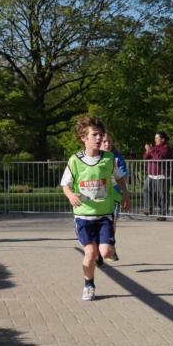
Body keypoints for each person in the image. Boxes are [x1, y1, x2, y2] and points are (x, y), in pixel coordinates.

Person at [61, 116, 130, 301]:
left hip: (104, 214)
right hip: (83, 215)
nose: (99, 138)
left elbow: (120, 177)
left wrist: (125, 193)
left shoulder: (108, 158)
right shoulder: (75, 160)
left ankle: (104, 246)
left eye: (101, 135)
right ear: (84, 137)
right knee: (90, 252)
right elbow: (65, 184)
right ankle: (89, 285)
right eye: (95, 135)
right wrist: (70, 195)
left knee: (106, 252)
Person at [99, 131, 128, 265]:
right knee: (98, 224)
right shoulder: (93, 157)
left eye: (109, 141)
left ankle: (111, 246)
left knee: (112, 223)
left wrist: (124, 191)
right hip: (98, 199)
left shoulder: (117, 157)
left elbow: (122, 175)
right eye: (105, 141)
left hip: (114, 196)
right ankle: (98, 250)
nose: (107, 144)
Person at [142, 132, 172, 220]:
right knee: (146, 190)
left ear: (162, 139)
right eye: (155, 138)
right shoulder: (154, 148)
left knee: (162, 195)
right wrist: (148, 150)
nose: (155, 140)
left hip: (162, 175)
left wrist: (151, 151)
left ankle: (163, 214)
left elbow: (159, 158)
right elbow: (145, 157)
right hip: (151, 175)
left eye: (157, 138)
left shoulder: (166, 148)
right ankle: (149, 209)